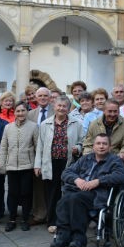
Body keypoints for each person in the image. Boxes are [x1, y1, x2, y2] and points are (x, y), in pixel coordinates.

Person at [52, 134, 124, 247]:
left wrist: (98, 181)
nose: (101, 146)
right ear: (93, 146)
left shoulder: (115, 161)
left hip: (97, 194)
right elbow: (66, 172)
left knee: (74, 199)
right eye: (98, 143)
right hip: (78, 191)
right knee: (63, 201)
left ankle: (79, 238)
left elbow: (121, 176)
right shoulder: (85, 159)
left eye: (104, 144)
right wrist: (76, 180)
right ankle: (63, 236)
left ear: (109, 147)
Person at [35, 96, 84, 234]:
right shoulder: (45, 124)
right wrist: (37, 165)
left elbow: (83, 141)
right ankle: (52, 221)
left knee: (67, 193)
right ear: (54, 107)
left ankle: (66, 221)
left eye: (64, 106)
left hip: (68, 163)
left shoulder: (77, 123)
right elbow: (40, 145)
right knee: (51, 194)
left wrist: (78, 148)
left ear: (69, 108)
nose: (61, 108)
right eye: (59, 106)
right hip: (50, 163)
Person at [0, 102, 39, 232]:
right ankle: (12, 219)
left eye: (23, 111)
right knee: (12, 193)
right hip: (12, 167)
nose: (20, 113)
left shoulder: (33, 127)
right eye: (18, 111)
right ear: (14, 112)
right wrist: (1, 163)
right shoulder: (8, 127)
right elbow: (4, 147)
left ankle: (25, 219)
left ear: (27, 112)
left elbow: (38, 147)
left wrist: (37, 165)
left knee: (26, 193)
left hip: (27, 166)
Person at [27, 86, 55, 225]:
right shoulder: (31, 114)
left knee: (51, 185)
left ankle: (52, 215)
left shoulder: (57, 111)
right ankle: (39, 214)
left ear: (50, 98)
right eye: (40, 96)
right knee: (37, 185)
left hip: (52, 153)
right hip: (35, 154)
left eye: (45, 96)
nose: (43, 98)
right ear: (36, 98)